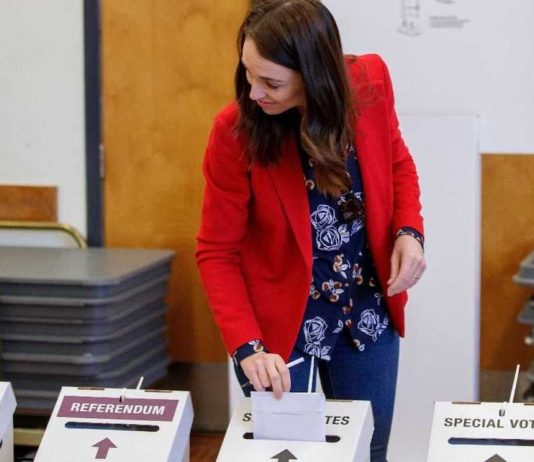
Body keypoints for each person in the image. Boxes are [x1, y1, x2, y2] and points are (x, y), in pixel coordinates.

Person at [196, 1, 426, 460]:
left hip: (363, 307)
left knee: (369, 446)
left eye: (272, 82)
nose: (254, 92)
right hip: (277, 330)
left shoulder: (371, 82)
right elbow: (216, 252)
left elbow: (397, 161)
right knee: (288, 452)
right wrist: (248, 348)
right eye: (247, 73)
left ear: (313, 72)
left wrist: (409, 232)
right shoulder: (235, 130)